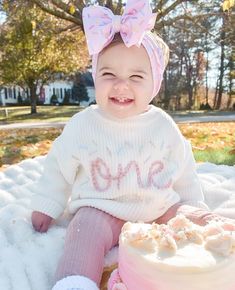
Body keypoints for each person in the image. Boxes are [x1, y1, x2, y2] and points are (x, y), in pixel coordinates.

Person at [30, 1, 235, 290]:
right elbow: (57, 167)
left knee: (190, 217)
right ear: (95, 78)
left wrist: (191, 204)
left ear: (154, 84)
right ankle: (75, 282)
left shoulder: (162, 125)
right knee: (82, 229)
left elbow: (183, 167)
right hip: (102, 209)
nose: (121, 85)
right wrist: (47, 205)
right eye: (108, 75)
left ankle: (221, 238)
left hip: (158, 209)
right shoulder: (83, 125)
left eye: (136, 77)